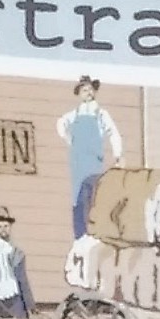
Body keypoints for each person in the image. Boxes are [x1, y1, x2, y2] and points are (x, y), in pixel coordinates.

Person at [61, 77, 123, 241]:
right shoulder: (75, 114)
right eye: (84, 90)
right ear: (79, 94)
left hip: (94, 162)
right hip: (78, 162)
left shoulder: (101, 114)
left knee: (93, 195)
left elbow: (113, 133)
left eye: (90, 89)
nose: (88, 92)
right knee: (77, 198)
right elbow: (60, 124)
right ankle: (79, 235)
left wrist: (118, 155)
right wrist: (69, 139)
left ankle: (94, 233)